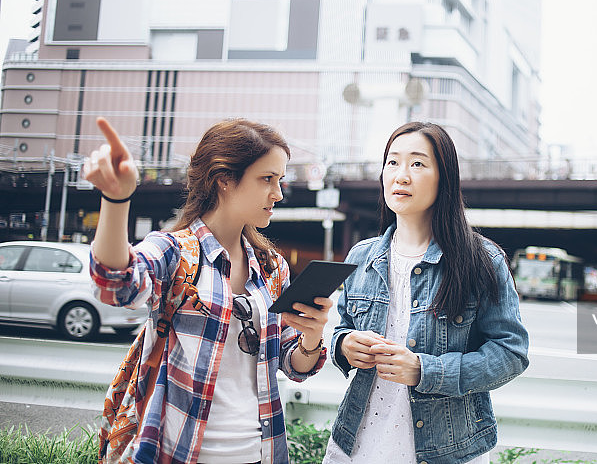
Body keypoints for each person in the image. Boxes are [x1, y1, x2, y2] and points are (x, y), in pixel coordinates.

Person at [84, 117, 332, 464]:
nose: (278, 193)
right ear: (224, 180)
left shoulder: (272, 267)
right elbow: (116, 284)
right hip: (179, 451)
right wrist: (116, 198)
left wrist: (310, 336)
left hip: (258, 452)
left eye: (280, 181)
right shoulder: (177, 251)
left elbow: (293, 365)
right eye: (267, 179)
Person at [323, 122, 530, 464]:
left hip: (447, 451)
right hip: (356, 446)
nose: (401, 175)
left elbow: (511, 353)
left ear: (444, 178)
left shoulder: (481, 260)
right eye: (392, 162)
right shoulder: (362, 256)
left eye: (417, 164)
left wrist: (425, 370)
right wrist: (344, 346)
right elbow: (341, 328)